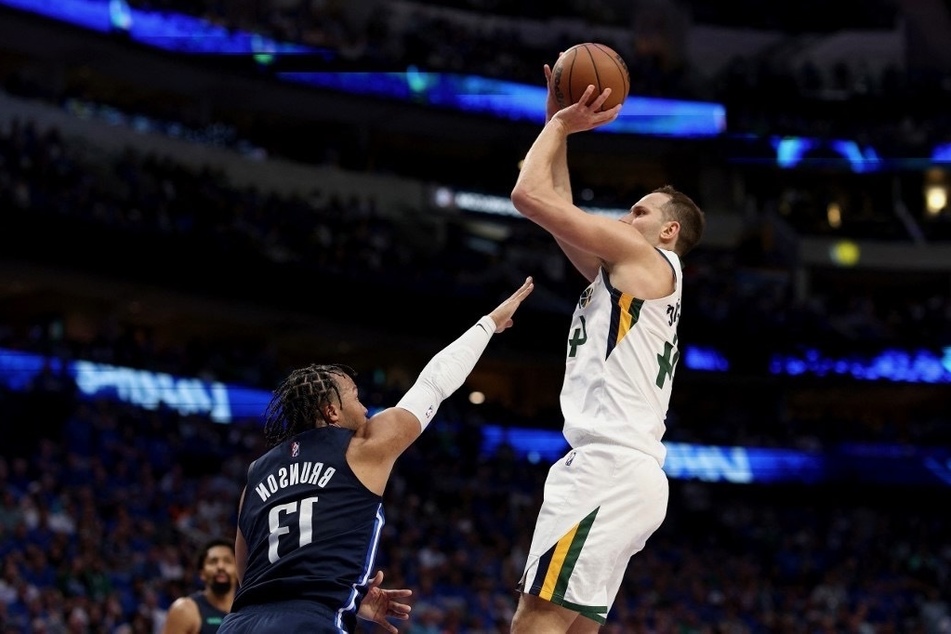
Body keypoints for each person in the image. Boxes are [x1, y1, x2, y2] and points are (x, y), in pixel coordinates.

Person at [217, 277, 535, 634]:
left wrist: (349, 599)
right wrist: (489, 324)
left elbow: (248, 572)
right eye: (355, 397)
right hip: (310, 622)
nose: (366, 408)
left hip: (238, 624)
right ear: (331, 412)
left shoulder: (256, 475)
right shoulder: (362, 446)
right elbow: (433, 384)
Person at [508, 64, 706, 633]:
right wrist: (557, 129)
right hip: (628, 471)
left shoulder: (641, 256)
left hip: (608, 465)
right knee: (572, 627)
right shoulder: (629, 270)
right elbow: (556, 209)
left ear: (669, 232)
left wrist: (563, 124)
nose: (625, 217)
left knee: (535, 620)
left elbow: (526, 195)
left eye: (640, 212)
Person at [161, 537, 238, 634]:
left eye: (227, 561)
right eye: (213, 561)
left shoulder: (248, 610)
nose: (220, 566)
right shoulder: (184, 610)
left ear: (238, 570)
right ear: (202, 573)